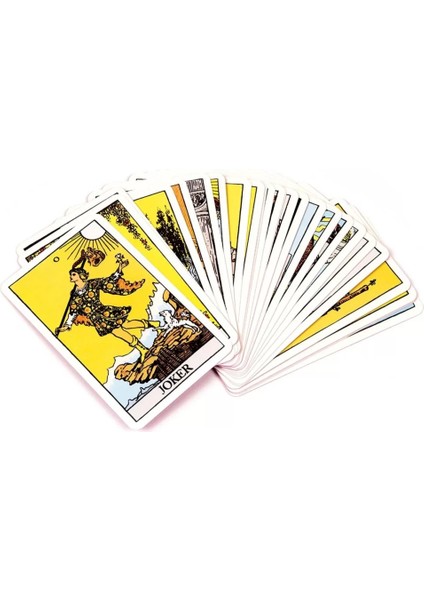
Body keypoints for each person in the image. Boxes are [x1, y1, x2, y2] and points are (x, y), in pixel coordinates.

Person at [55, 260, 159, 355]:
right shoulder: (74, 294)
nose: (71, 276)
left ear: (80, 275)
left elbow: (108, 280)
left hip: (104, 312)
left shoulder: (92, 284)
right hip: (97, 320)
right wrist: (67, 325)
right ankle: (142, 349)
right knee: (118, 333)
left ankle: (153, 325)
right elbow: (73, 311)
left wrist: (119, 269)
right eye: (71, 274)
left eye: (73, 274)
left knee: (126, 324)